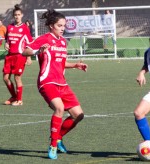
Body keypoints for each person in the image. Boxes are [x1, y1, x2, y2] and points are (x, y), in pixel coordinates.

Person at [22, 9, 88, 160]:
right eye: (60, 25)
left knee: (79, 115)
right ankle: (52, 145)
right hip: (47, 81)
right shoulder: (44, 38)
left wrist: (76, 66)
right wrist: (38, 51)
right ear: (52, 26)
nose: (63, 28)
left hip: (62, 83)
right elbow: (25, 51)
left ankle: (58, 137)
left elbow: (61, 63)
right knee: (60, 108)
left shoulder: (63, 42)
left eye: (64, 25)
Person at [3, 4, 33, 106]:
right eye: (15, 15)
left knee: (17, 78)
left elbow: (29, 43)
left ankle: (19, 100)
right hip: (9, 56)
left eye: (19, 14)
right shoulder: (9, 27)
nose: (17, 16)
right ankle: (14, 97)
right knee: (5, 78)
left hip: (20, 56)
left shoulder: (25, 28)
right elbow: (7, 40)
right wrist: (6, 44)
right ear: (13, 16)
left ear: (22, 15)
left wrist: (29, 57)